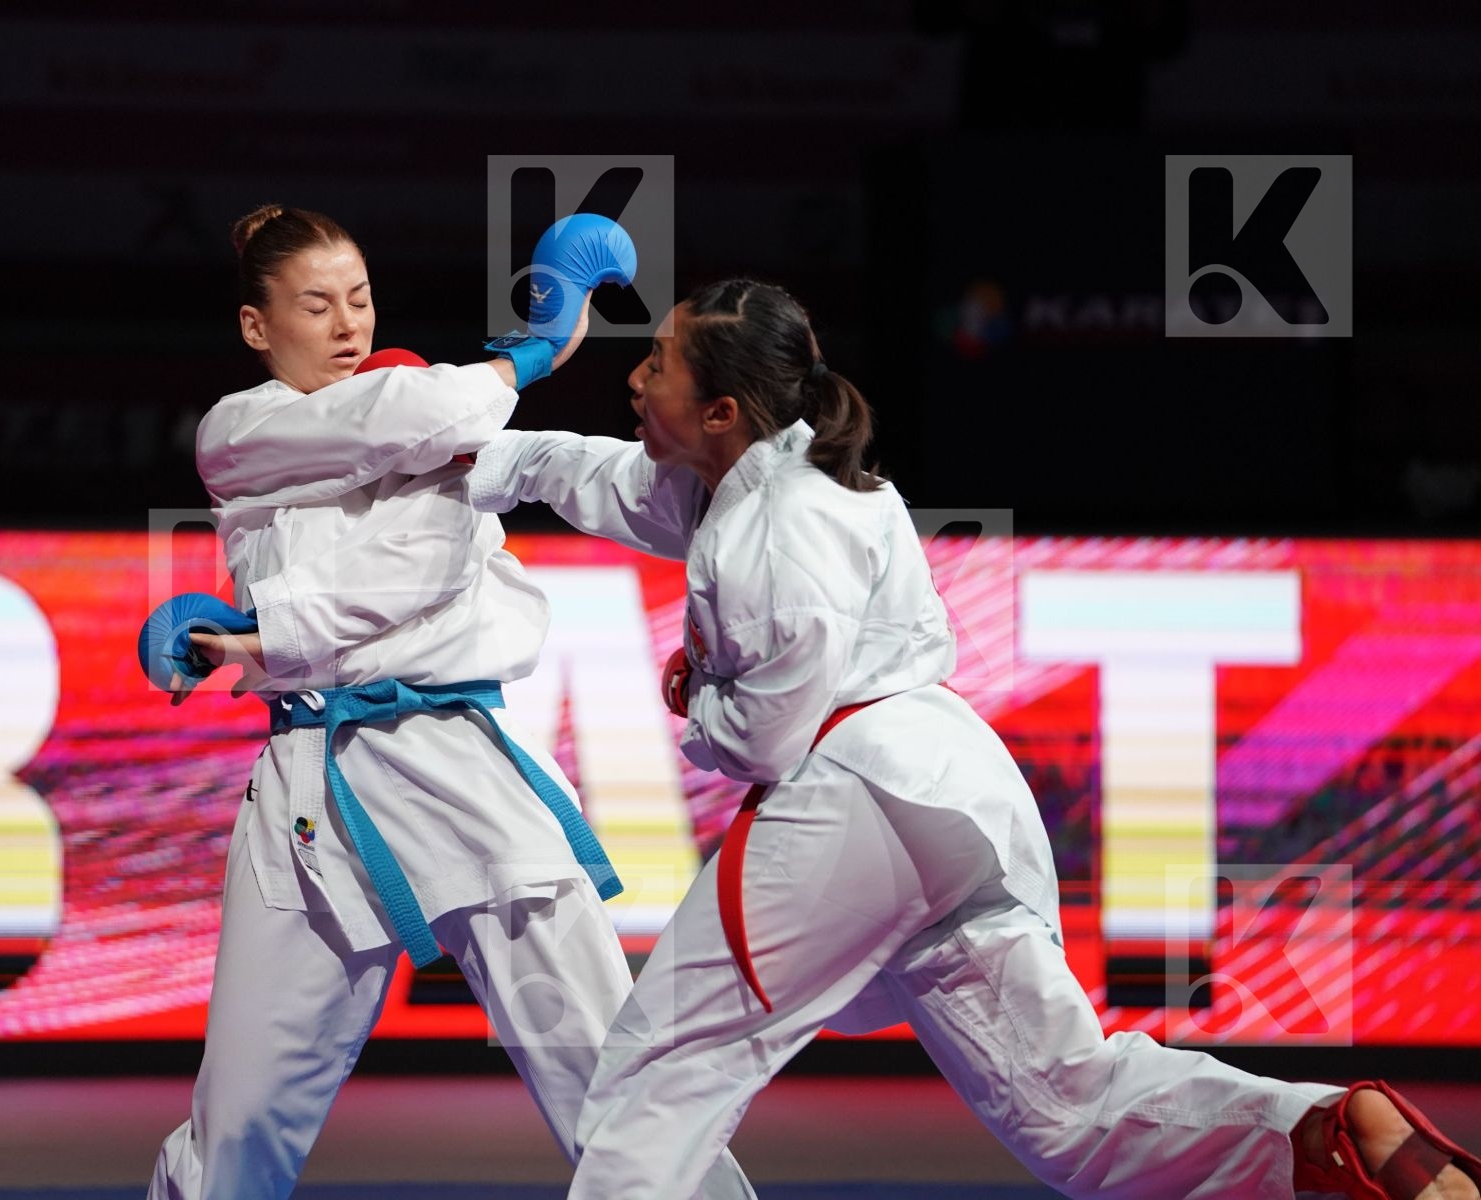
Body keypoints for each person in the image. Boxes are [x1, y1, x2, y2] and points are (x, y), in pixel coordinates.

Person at [465, 277, 1481, 1200]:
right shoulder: (750, 482)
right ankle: (1319, 1136)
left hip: (860, 798)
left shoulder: (782, 526)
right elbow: (596, 474)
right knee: (1067, 1112)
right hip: (945, 811)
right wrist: (460, 445)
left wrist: (699, 702)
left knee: (663, 1062)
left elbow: (765, 740)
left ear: (722, 409)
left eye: (657, 363)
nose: (635, 379)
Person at [145, 206, 756, 1200]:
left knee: (609, 1084)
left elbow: (411, 565)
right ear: (258, 327)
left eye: (359, 299)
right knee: (241, 1122)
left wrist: (255, 630)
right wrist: (528, 358)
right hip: (310, 798)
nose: (347, 323)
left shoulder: (445, 424)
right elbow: (375, 430)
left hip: (459, 767)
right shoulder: (241, 432)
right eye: (315, 305)